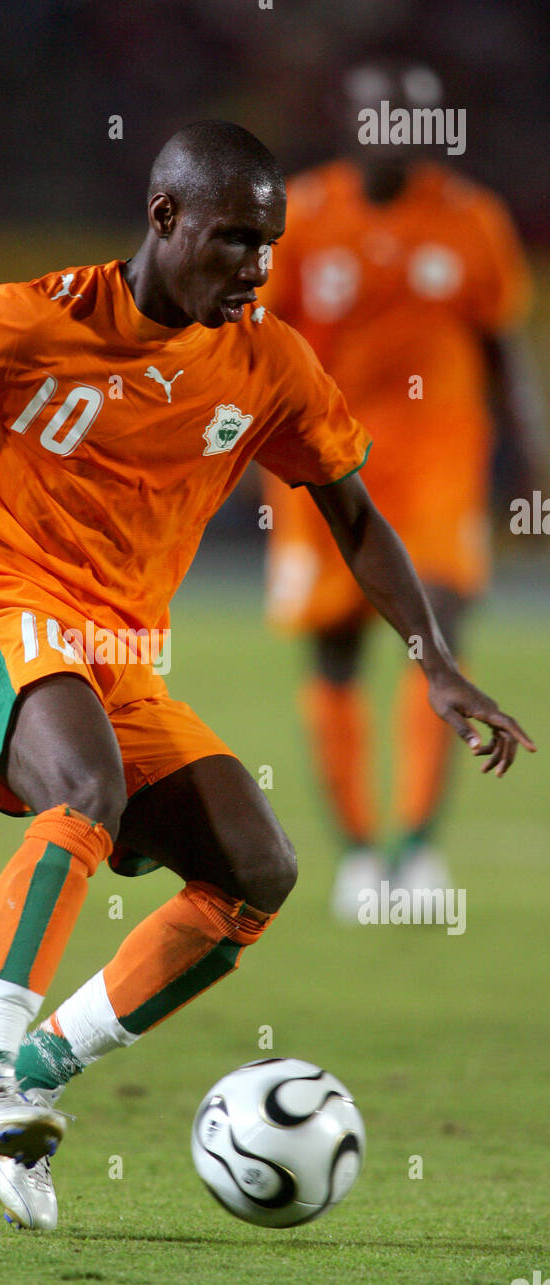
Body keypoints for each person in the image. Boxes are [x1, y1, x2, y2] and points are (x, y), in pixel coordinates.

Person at [0, 120, 534, 1232]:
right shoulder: (32, 320)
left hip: (120, 654)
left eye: (268, 244)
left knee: (253, 873)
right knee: (83, 787)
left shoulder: (267, 362)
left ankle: (32, 1079)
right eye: (232, 239)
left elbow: (354, 513)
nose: (255, 268)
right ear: (164, 217)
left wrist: (434, 663)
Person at [259, 62, 544, 917]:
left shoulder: (471, 219)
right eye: (378, 120)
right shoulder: (302, 214)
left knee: (441, 634)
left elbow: (503, 346)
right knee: (335, 649)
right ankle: (356, 856)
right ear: (348, 123)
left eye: (411, 123)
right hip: (326, 458)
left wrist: (531, 451)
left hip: (440, 462)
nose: (395, 137)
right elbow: (259, 342)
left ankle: (418, 852)